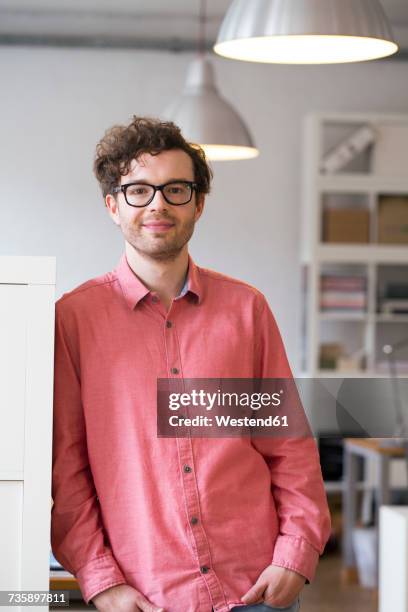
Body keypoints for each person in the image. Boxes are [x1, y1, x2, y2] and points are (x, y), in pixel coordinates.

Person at [51, 116, 331, 612]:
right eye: (138, 190)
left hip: (258, 588)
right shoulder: (73, 320)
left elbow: (289, 446)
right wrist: (101, 581)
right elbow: (68, 470)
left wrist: (296, 552)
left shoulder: (248, 309)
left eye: (175, 189)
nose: (158, 203)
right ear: (112, 206)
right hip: (146, 596)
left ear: (198, 203)